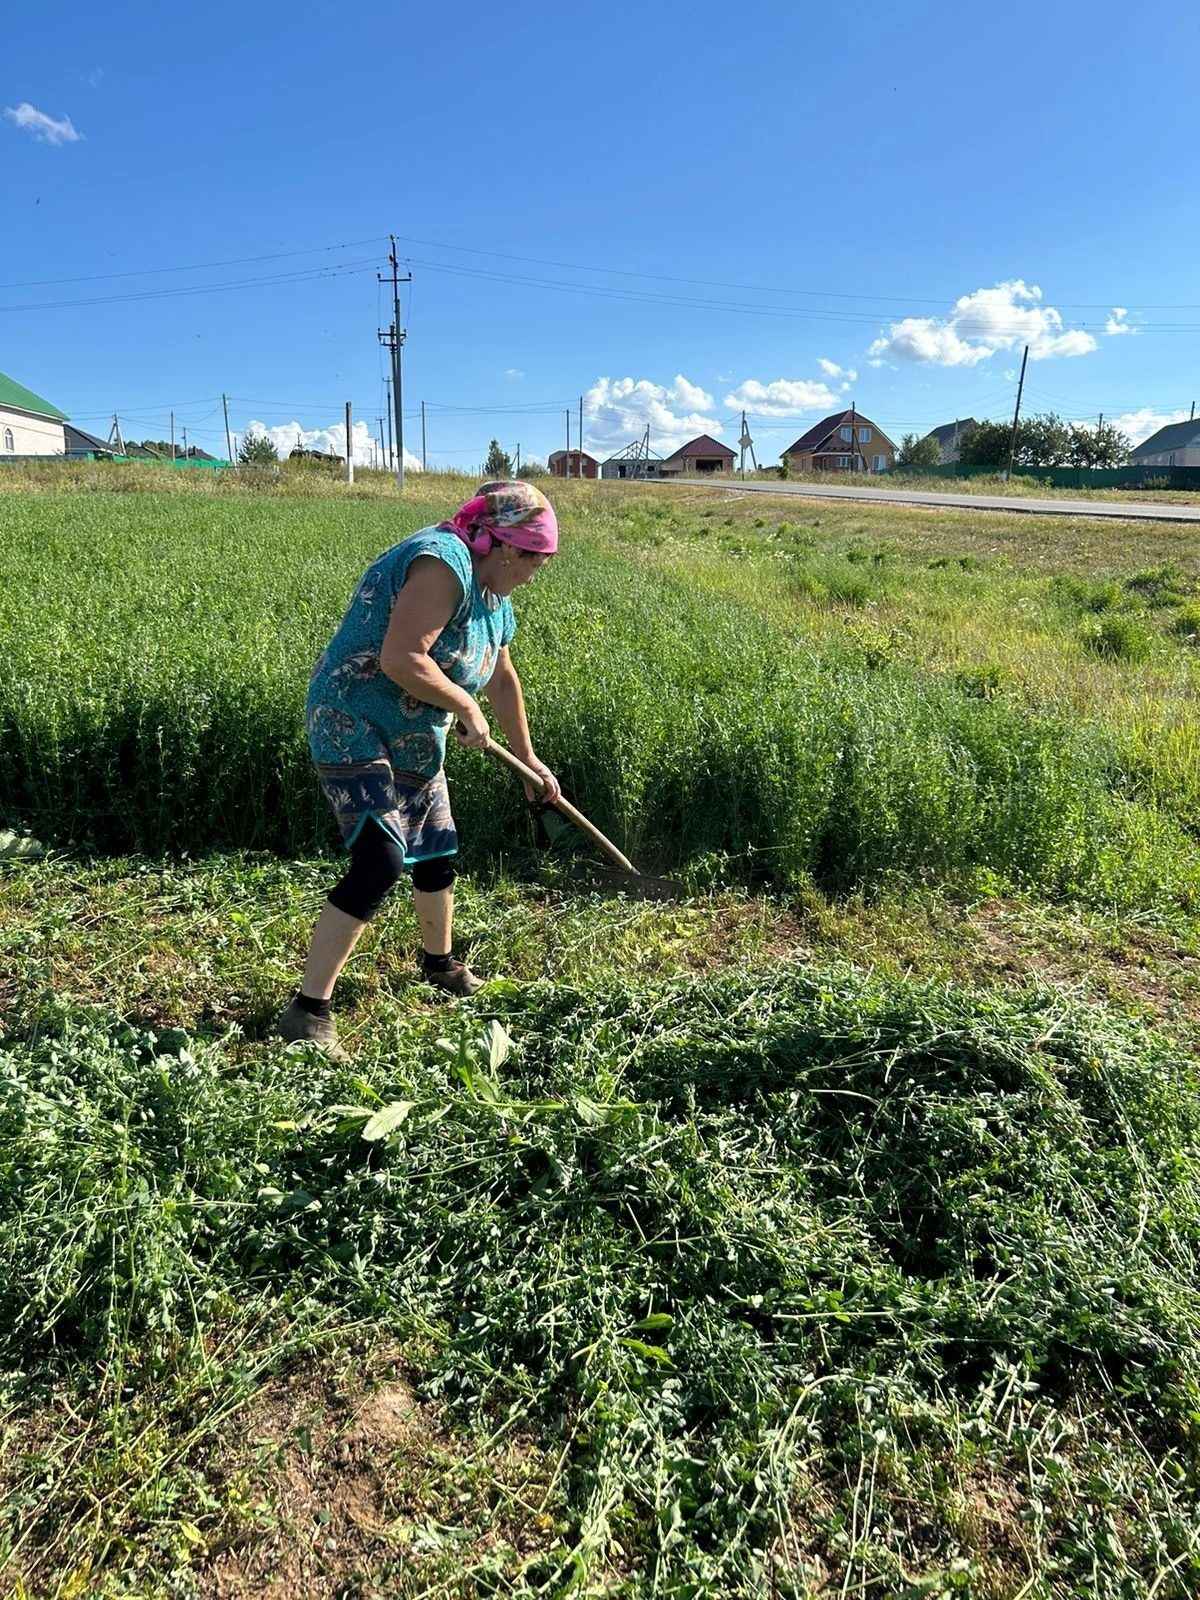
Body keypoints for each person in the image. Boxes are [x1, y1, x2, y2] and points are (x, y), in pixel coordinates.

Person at [277, 480, 561, 1060]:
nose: (535, 574)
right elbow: (400, 656)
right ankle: (308, 1010)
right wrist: (462, 703)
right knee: (380, 858)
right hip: (353, 717)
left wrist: (527, 758)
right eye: (535, 559)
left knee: (435, 849)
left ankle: (439, 965)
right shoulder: (444, 562)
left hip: (411, 730)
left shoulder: (493, 599)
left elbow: (503, 680)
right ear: (507, 545)